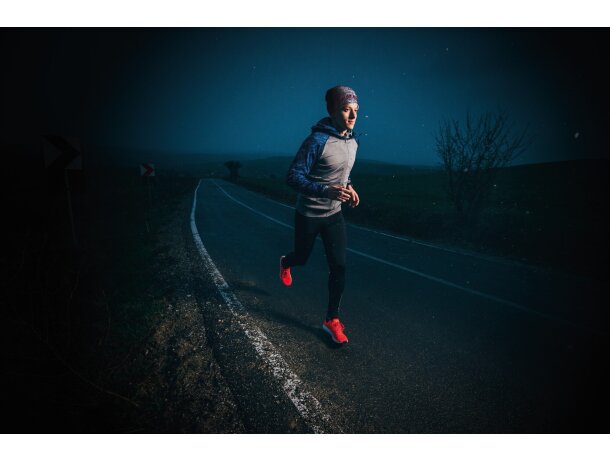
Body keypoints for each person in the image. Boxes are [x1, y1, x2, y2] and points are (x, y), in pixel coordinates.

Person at [279, 85, 361, 345]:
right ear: (333, 111)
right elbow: (293, 177)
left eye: (356, 111)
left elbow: (341, 175)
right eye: (346, 110)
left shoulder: (353, 141)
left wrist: (349, 187)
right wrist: (325, 191)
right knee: (302, 257)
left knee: (339, 266)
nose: (352, 116)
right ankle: (286, 262)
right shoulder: (316, 140)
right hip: (309, 214)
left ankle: (331, 320)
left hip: (334, 214)